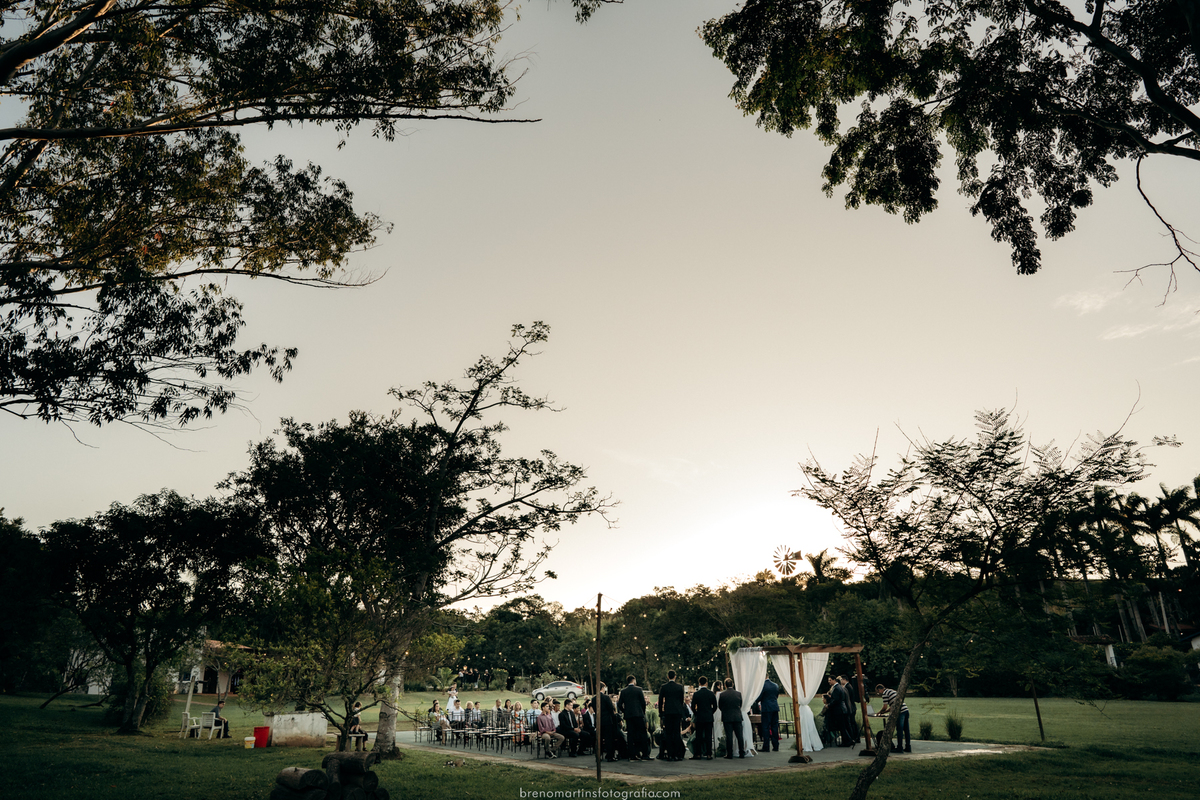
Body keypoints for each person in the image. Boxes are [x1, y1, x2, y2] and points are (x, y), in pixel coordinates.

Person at [618, 675, 649, 761]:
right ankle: (645, 754)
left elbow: (619, 704)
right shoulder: (638, 689)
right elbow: (643, 702)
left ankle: (632, 755)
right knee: (642, 734)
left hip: (629, 716)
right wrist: (642, 711)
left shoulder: (623, 691)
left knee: (631, 735)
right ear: (634, 680)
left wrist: (625, 711)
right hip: (638, 714)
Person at [657, 669, 686, 761]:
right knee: (677, 733)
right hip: (677, 712)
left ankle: (670, 754)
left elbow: (660, 700)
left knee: (668, 733)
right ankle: (677, 754)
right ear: (675, 676)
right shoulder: (679, 687)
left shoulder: (664, 687)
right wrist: (681, 711)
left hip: (668, 711)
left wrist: (661, 713)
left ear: (667, 677)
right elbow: (681, 700)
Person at [875, 683, 911, 753]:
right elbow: (892, 706)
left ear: (880, 689)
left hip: (900, 712)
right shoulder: (892, 691)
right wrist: (885, 712)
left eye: (878, 692)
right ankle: (908, 747)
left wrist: (879, 712)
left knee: (899, 730)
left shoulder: (885, 694)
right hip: (905, 710)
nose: (879, 693)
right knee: (906, 730)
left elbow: (885, 707)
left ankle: (899, 748)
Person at [690, 676, 718, 760]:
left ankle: (698, 754)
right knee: (708, 736)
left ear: (699, 683)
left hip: (700, 717)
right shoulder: (711, 693)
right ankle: (709, 754)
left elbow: (692, 706)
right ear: (706, 683)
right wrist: (710, 712)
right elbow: (715, 706)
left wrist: (696, 713)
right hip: (708, 717)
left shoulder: (696, 694)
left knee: (699, 736)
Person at [717, 678, 745, 758]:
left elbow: (720, 706)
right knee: (739, 736)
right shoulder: (738, 694)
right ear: (732, 684)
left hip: (727, 717)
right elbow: (740, 704)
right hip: (737, 716)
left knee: (729, 736)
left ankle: (730, 753)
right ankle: (741, 752)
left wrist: (725, 711)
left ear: (725, 685)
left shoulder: (722, 695)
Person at [755, 676, 781, 752]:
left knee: (765, 727)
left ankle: (766, 746)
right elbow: (776, 696)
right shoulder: (775, 685)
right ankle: (776, 746)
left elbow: (759, 698)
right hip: (775, 707)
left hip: (766, 708)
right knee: (774, 727)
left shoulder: (762, 686)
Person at [827, 676, 855, 747]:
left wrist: (829, 705)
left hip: (839, 710)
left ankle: (847, 741)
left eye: (830, 680)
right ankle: (849, 740)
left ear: (834, 680)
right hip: (843, 709)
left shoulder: (836, 688)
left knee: (842, 727)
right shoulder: (840, 687)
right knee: (844, 726)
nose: (829, 681)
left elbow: (836, 700)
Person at [840, 674, 861, 744]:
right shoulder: (849, 686)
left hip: (851, 707)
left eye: (841, 680)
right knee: (852, 722)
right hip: (852, 706)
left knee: (852, 723)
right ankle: (856, 737)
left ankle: (855, 737)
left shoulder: (848, 687)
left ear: (844, 680)